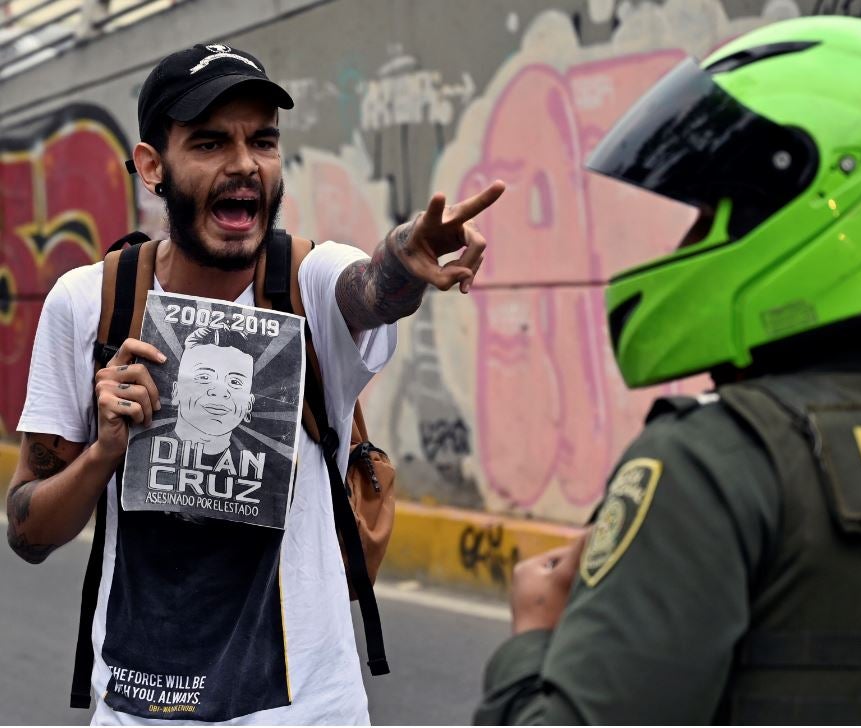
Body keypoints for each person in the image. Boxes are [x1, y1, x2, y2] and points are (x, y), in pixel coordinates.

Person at [474, 17, 861, 725]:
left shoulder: (715, 468)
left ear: (824, 207)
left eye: (714, 213)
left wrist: (532, 641)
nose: (686, 245)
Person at [6, 42, 504, 724]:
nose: (244, 164)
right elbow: (28, 532)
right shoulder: (88, 304)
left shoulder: (311, 283)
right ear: (153, 165)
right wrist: (102, 455)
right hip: (135, 710)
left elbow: (369, 290)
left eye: (263, 141)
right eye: (210, 143)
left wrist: (404, 261)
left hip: (307, 711)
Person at [172, 326, 255, 454]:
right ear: (176, 392)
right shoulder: (138, 451)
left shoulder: (265, 469)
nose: (219, 391)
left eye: (234, 382)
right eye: (204, 377)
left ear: (249, 404)